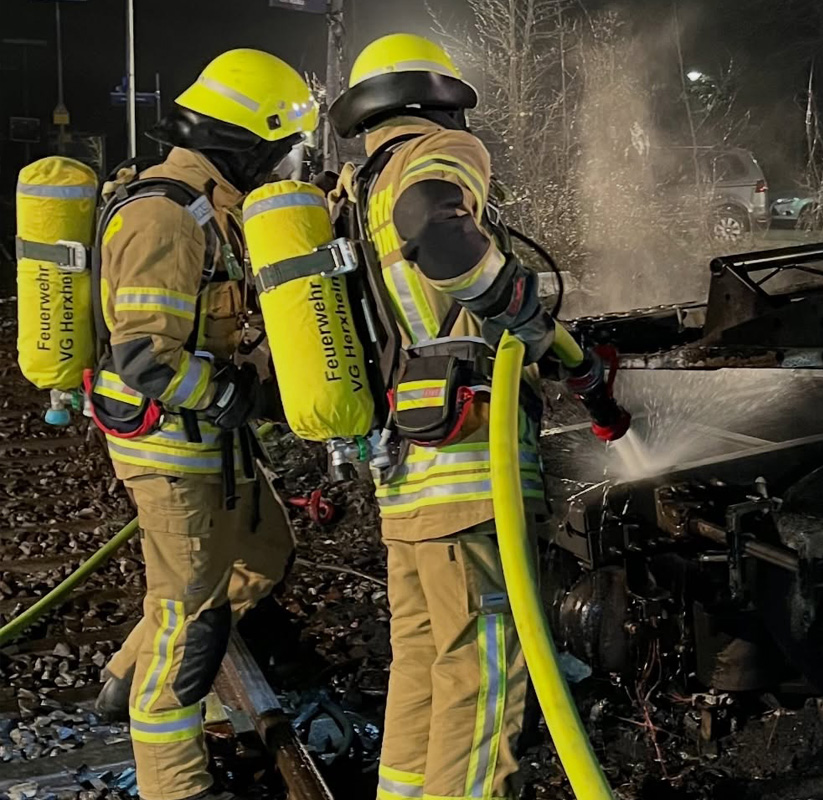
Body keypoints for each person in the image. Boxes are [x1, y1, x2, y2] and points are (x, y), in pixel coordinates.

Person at [328, 33, 628, 800]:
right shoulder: (438, 149)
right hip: (466, 469)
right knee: (487, 672)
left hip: (404, 471)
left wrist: (558, 355)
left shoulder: (355, 191)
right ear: (437, 97)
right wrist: (526, 316)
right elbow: (439, 224)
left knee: (425, 661)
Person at [89, 49, 317, 800]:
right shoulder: (167, 215)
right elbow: (146, 356)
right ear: (244, 143)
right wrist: (234, 398)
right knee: (190, 625)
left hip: (212, 445)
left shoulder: (209, 205)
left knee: (265, 550)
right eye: (279, 149)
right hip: (173, 450)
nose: (284, 164)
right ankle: (174, 781)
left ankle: (126, 674)